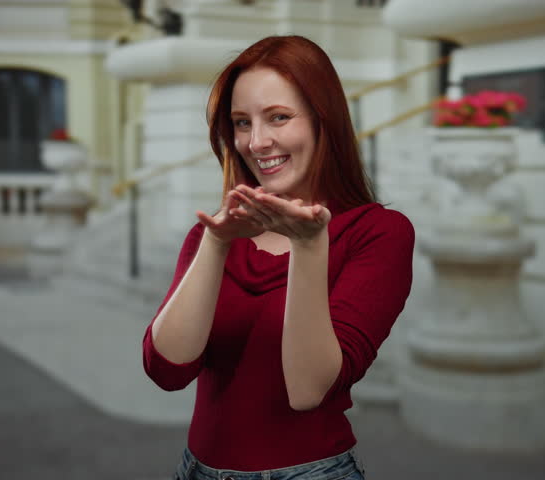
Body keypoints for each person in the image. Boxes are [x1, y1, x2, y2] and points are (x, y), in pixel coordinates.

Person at [142, 35, 415, 480]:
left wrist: (309, 245)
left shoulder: (378, 233)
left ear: (323, 120)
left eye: (279, 118)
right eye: (241, 122)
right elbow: (166, 370)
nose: (257, 142)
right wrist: (216, 244)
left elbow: (308, 389)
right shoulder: (213, 234)